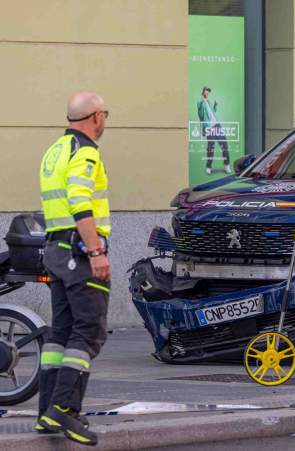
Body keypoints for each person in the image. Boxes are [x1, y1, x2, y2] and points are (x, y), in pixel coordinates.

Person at [36, 91, 111, 446]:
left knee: (61, 332)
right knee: (89, 329)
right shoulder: (85, 152)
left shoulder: (54, 151)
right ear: (95, 117)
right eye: (105, 115)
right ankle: (65, 409)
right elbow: (80, 202)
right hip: (78, 251)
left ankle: (47, 412)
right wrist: (96, 250)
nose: (105, 121)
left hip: (55, 248)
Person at [197, 86, 231, 174]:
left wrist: (215, 105)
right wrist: (202, 101)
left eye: (208, 91)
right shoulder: (200, 103)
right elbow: (200, 114)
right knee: (210, 148)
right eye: (206, 91)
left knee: (224, 145)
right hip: (209, 128)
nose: (207, 92)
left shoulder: (208, 102)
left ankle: (226, 165)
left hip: (216, 125)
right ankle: (209, 167)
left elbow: (213, 112)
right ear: (203, 92)